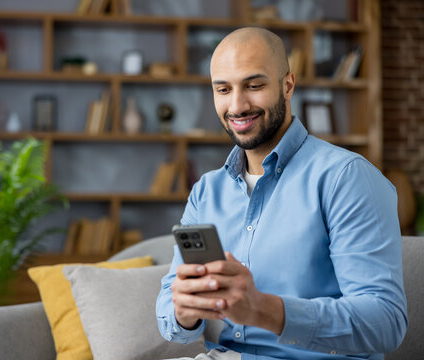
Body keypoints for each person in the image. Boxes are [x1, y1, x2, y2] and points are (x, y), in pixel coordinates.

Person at [156, 27, 407, 360]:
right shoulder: (206, 191)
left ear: (287, 85)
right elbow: (169, 315)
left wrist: (263, 310)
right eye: (223, 89)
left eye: (254, 85)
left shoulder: (346, 178)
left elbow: (385, 323)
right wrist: (185, 309)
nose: (237, 105)